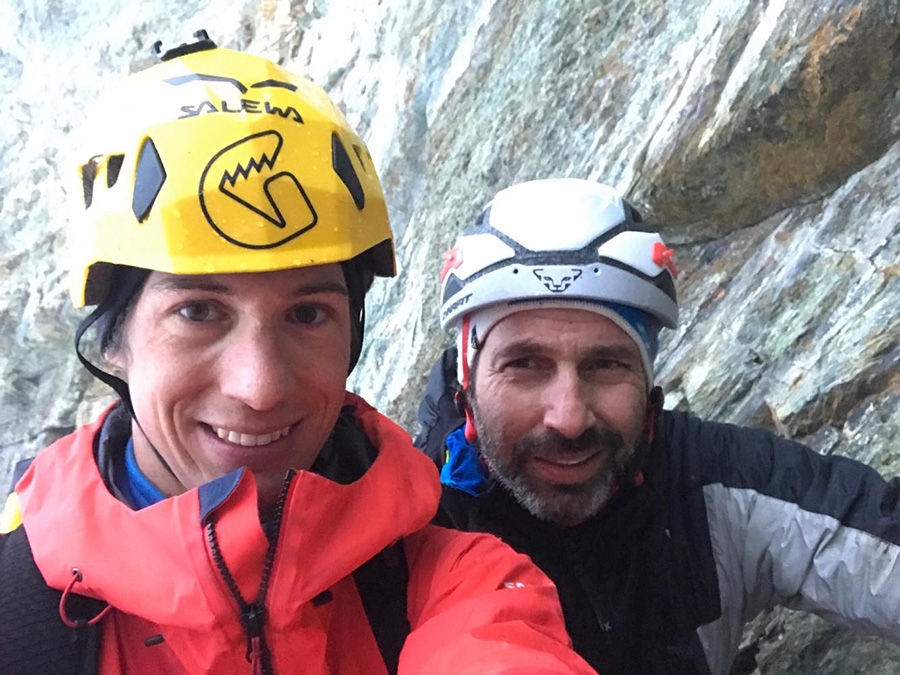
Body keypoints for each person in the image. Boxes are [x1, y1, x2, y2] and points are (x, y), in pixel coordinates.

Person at [0, 36, 597, 675]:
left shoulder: (457, 584)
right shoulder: (19, 617)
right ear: (113, 339)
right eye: (198, 312)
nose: (260, 387)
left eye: (308, 314)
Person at [416, 178, 900, 675]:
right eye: (524, 365)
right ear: (467, 380)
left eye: (606, 365)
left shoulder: (710, 484)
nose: (569, 417)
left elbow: (870, 543)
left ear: (648, 384)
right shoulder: (412, 535)